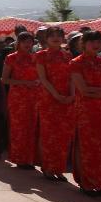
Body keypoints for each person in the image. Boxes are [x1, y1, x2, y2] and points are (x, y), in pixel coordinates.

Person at [69, 31, 101, 196]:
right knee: (86, 145)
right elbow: (84, 90)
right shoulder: (76, 63)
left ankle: (99, 183)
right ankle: (86, 183)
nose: (96, 45)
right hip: (85, 110)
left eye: (99, 42)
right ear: (83, 44)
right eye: (92, 41)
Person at [36, 27, 75, 181]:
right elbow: (43, 79)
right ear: (46, 38)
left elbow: (72, 77)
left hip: (66, 98)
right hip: (49, 98)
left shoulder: (68, 55)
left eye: (59, 35)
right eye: (52, 35)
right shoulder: (41, 55)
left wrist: (71, 94)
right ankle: (48, 167)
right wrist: (56, 94)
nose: (56, 38)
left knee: (64, 134)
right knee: (49, 132)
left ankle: (59, 168)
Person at [1, 32, 40, 168]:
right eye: (25, 42)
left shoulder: (35, 58)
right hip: (18, 97)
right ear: (18, 43)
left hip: (34, 96)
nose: (28, 44)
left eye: (30, 42)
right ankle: (19, 158)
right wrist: (23, 82)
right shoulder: (11, 58)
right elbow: (4, 79)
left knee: (32, 127)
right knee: (18, 127)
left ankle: (29, 158)